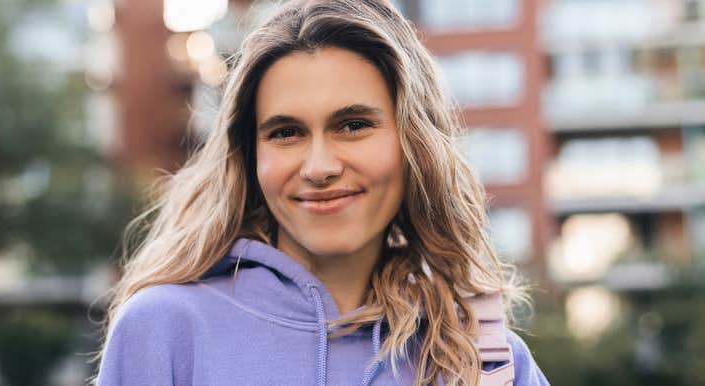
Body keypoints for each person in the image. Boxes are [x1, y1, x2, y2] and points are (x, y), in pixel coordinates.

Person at [91, 0, 550, 385]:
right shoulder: (164, 330)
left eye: (353, 125)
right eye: (286, 132)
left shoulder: (483, 359)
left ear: (415, 144)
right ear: (250, 157)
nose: (319, 168)